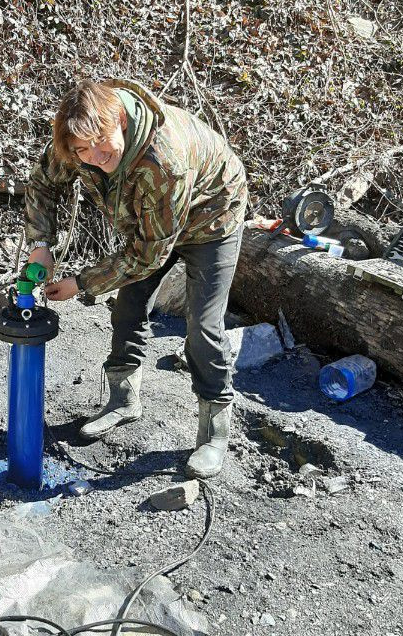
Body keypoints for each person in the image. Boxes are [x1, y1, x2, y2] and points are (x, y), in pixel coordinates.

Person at [23, 77, 248, 479]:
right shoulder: (80, 135)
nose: (94, 154)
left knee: (204, 326)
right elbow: (44, 183)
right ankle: (123, 401)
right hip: (152, 220)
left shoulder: (165, 160)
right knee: (128, 306)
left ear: (120, 120)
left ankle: (213, 434)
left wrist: (82, 283)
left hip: (213, 219)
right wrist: (40, 243)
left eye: (101, 141)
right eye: (82, 150)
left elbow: (148, 255)